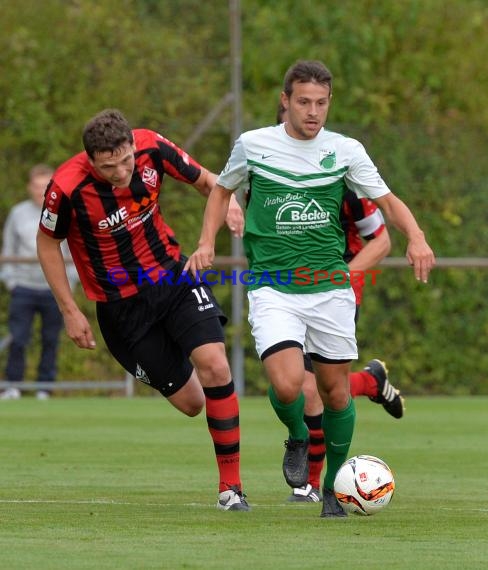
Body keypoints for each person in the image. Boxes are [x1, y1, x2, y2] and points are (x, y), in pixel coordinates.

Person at [185, 60, 435, 518]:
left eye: (321, 103)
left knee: (336, 392)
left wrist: (415, 235)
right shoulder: (254, 145)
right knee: (284, 386)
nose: (313, 111)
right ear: (286, 101)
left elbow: (386, 201)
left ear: (329, 103)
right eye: (303, 102)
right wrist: (206, 242)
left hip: (329, 288)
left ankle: (335, 493)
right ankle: (299, 435)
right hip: (272, 286)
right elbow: (221, 191)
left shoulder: (345, 150)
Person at [36, 109, 249, 511]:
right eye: (108, 167)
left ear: (134, 146)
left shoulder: (153, 145)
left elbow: (209, 182)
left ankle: (231, 489)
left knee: (216, 365)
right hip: (121, 309)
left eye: (126, 161)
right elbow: (48, 243)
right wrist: (69, 310)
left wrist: (228, 208)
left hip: (173, 276)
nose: (120, 173)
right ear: (90, 160)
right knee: (192, 403)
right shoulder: (66, 187)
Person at [274, 105, 404, 504]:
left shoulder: (345, 182)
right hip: (286, 289)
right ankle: (370, 382)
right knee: (296, 383)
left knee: (315, 389)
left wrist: (344, 276)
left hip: (334, 291)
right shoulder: (268, 171)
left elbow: (380, 239)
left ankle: (311, 485)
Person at [0, 164, 78, 400]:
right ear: (29, 188)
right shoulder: (18, 213)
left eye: (45, 186)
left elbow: (74, 252)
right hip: (23, 286)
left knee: (50, 339)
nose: (40, 191)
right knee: (19, 338)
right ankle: (13, 386)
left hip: (53, 290)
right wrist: (11, 281)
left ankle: (44, 388)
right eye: (36, 186)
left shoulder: (64, 211)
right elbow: (8, 251)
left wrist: (69, 284)